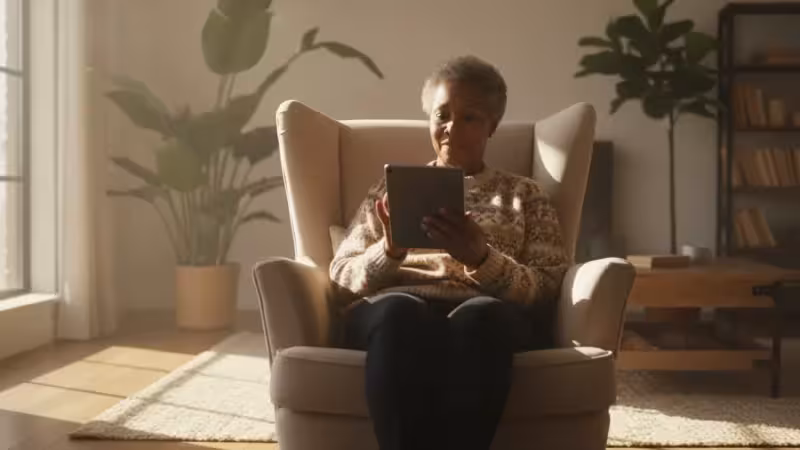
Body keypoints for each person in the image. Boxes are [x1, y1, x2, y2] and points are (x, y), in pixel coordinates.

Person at [328, 55, 569, 450]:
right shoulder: (389, 190)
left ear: (492, 124)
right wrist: (388, 251)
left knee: (481, 316)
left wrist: (481, 258)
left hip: (485, 312)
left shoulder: (524, 195)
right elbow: (340, 277)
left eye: (469, 117)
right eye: (442, 115)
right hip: (397, 311)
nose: (450, 128)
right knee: (399, 311)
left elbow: (546, 287)